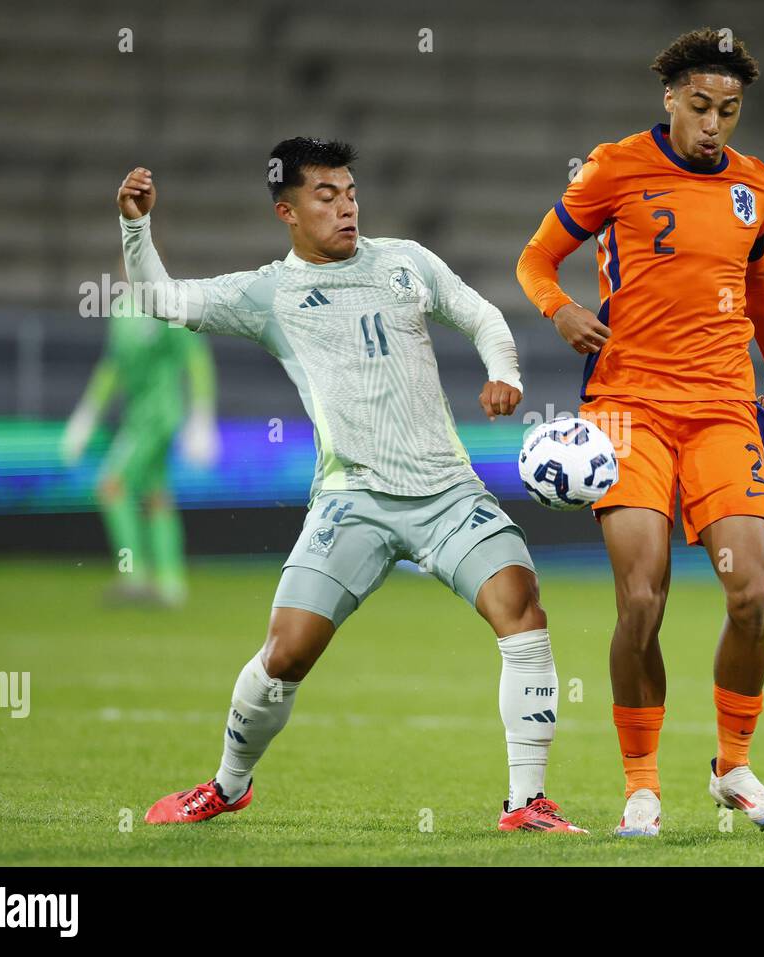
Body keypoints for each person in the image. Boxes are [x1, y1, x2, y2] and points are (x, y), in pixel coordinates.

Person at [122, 137, 585, 833]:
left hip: (447, 493)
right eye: (325, 196)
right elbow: (158, 297)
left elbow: (482, 315)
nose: (346, 208)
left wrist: (506, 374)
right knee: (286, 654)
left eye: (351, 193)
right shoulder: (268, 294)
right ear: (288, 211)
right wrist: (136, 226)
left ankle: (527, 803)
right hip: (353, 502)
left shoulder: (406, 262)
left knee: (521, 607)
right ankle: (227, 784)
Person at [516, 29, 764, 835]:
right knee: (641, 601)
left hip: (721, 406)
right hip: (627, 408)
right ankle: (641, 784)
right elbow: (535, 261)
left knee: (751, 595)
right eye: (701, 107)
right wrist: (561, 309)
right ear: (669, 99)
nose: (714, 125)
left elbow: (758, 277)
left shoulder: (756, 186)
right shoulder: (613, 168)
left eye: (730, 111)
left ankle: (733, 767)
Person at [61, 281, 218, 607]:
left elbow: (196, 359)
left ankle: (134, 577)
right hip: (137, 418)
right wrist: (87, 415)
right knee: (156, 495)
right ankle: (171, 583)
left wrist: (201, 416)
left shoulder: (169, 308)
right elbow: (112, 367)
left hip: (158, 416)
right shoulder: (122, 311)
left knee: (111, 485)